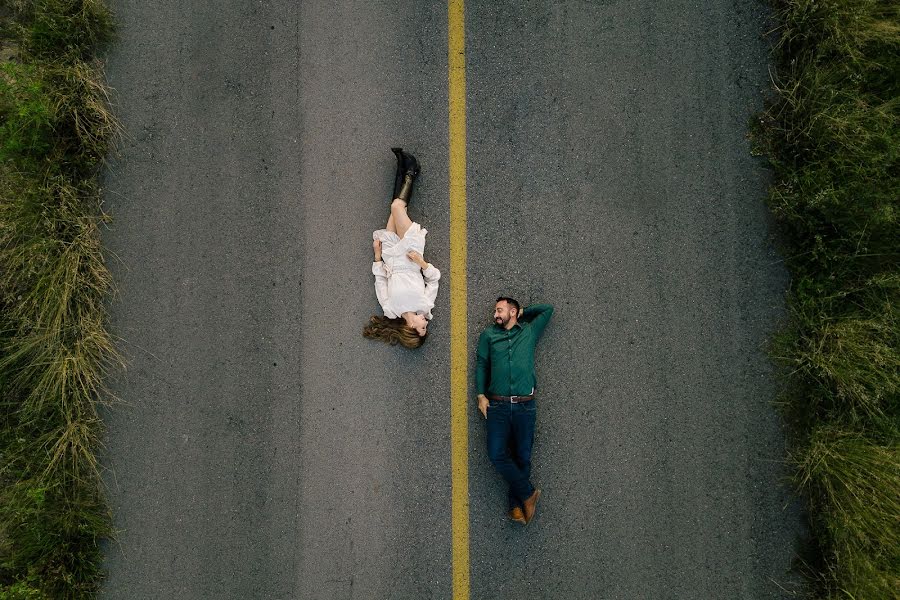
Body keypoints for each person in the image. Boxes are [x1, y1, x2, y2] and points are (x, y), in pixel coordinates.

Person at [475, 297, 554, 524]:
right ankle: (529, 494)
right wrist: (481, 395)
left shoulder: (528, 331)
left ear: (512, 311)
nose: (495, 315)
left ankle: (515, 506)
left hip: (525, 405)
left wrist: (523, 311)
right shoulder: (488, 335)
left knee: (522, 456)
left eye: (499, 310)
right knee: (496, 453)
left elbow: (548, 309)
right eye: (495, 311)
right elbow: (482, 364)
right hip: (497, 404)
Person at [363, 148, 440, 349]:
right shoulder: (425, 307)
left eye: (423, 328)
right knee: (397, 207)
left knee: (396, 207)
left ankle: (401, 166)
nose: (426, 324)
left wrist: (377, 256)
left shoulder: (391, 310)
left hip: (391, 256)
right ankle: (411, 169)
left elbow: (380, 281)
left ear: (411, 328)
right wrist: (421, 262)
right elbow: (434, 279)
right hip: (409, 253)